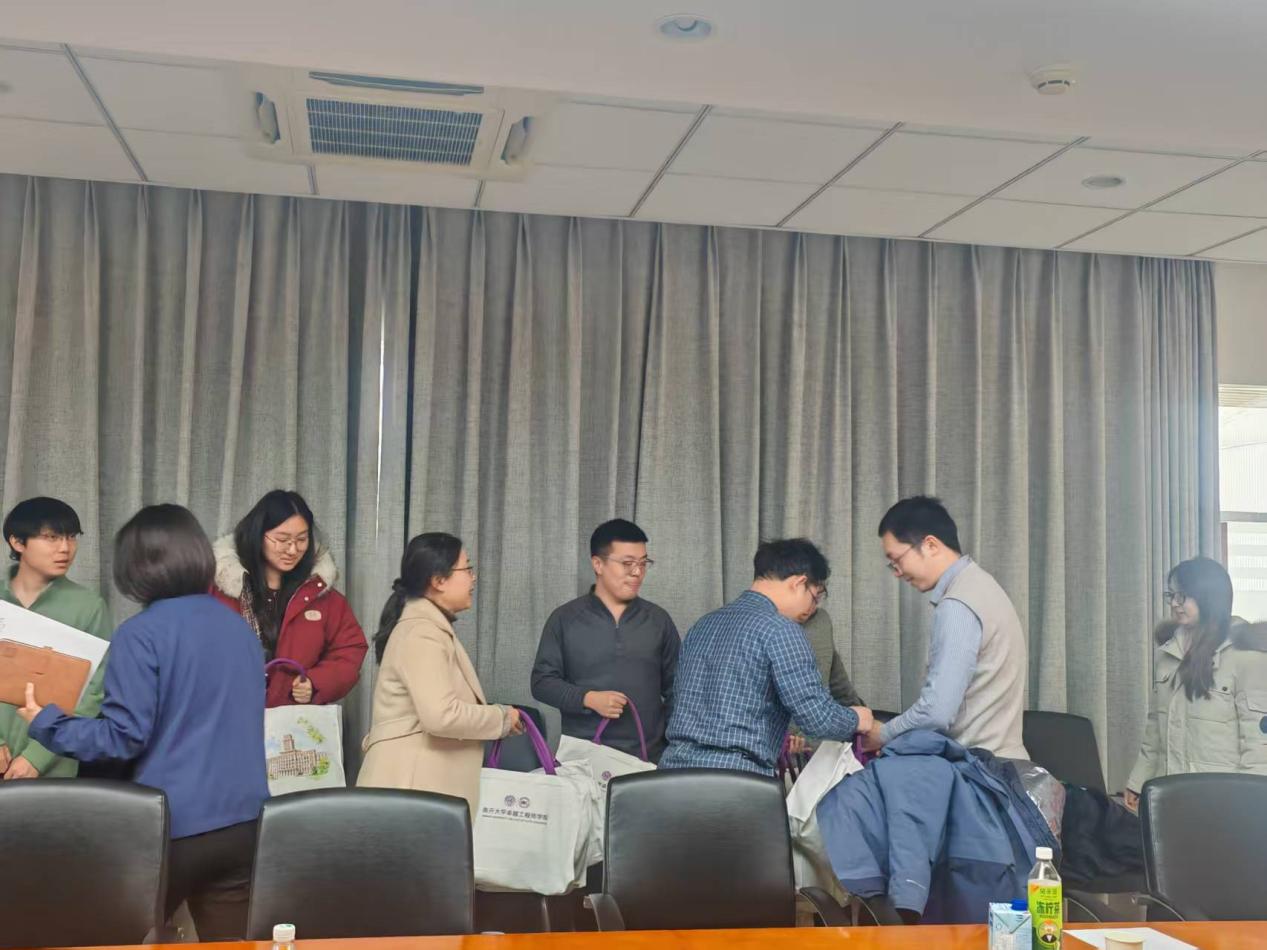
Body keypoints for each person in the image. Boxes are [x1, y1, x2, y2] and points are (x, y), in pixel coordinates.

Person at [19, 504, 268, 940]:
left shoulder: (141, 634)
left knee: (109, 939)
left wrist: (47, 722)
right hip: (244, 823)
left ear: (136, 567)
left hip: (172, 824)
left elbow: (122, 738)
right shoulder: (241, 630)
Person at [660, 538, 872, 774]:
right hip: (736, 776)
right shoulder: (781, 630)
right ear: (799, 583)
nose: (812, 607)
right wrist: (857, 718)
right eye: (815, 596)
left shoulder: (703, 625)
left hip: (672, 772)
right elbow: (817, 719)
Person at [358, 533, 522, 816]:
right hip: (410, 789)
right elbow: (441, 716)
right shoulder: (422, 632)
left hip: (415, 788)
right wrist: (502, 718)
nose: (473, 578)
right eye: (467, 569)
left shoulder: (427, 627)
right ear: (438, 580)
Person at [865, 495, 1028, 759]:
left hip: (978, 769)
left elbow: (936, 712)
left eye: (897, 560)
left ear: (930, 545)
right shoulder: (981, 584)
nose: (897, 572)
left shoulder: (958, 604)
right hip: (1000, 762)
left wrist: (882, 733)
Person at [1124, 557, 1267, 811]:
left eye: (1183, 596)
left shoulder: (1246, 656)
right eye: (1172, 595)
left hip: (1224, 800)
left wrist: (1250, 804)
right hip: (1171, 792)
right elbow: (1155, 728)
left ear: (1209, 596)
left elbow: (1259, 746)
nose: (1175, 603)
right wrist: (1138, 781)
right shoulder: (1168, 654)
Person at [531, 519, 680, 762]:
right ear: (598, 564)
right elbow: (541, 683)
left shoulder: (658, 620)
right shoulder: (565, 619)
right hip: (583, 761)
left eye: (643, 563)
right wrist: (588, 698)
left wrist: (673, 747)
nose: (637, 572)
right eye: (627, 563)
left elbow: (678, 689)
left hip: (648, 760)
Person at [213, 490, 366, 707]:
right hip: (229, 714)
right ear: (258, 535)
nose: (293, 550)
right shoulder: (220, 590)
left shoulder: (323, 596)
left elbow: (350, 649)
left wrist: (316, 682)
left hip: (292, 722)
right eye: (282, 540)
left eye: (302, 539)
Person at [0, 496, 112, 780]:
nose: (65, 548)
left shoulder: (89, 607)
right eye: (51, 537)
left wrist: (36, 757)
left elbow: (93, 693)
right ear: (17, 542)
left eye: (71, 537)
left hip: (53, 768)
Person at [789, 606, 865, 754]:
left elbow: (838, 682)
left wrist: (863, 723)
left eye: (819, 597)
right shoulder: (769, 626)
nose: (811, 606)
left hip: (824, 742)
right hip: (781, 745)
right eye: (811, 596)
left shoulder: (821, 619)